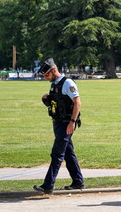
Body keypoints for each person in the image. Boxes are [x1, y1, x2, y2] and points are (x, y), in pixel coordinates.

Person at [33, 58, 84, 194]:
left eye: (46, 75)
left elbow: (77, 102)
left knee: (57, 153)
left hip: (66, 123)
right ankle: (78, 182)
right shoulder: (54, 84)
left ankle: (48, 185)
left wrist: (72, 122)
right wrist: (47, 100)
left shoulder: (67, 83)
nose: (45, 78)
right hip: (58, 122)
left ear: (53, 70)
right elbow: (57, 103)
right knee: (68, 153)